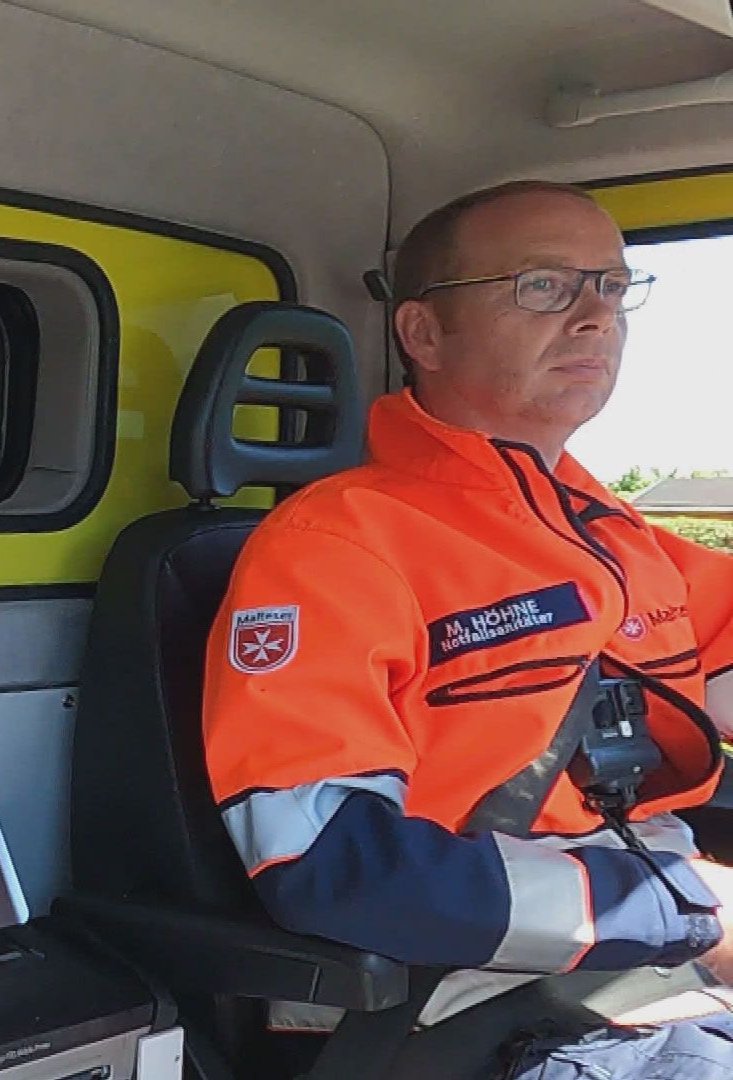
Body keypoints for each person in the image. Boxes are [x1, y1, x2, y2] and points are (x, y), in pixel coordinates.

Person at [203, 179, 733, 1077]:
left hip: (658, 981)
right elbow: (329, 859)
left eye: (612, 286)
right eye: (544, 286)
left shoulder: (615, 535)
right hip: (466, 1014)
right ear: (422, 333)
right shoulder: (335, 546)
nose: (596, 317)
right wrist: (681, 903)